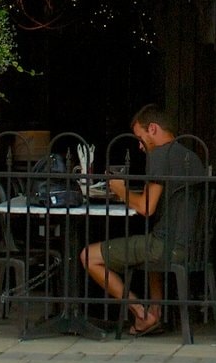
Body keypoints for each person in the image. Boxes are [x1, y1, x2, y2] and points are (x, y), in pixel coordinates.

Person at [78, 104, 207, 336]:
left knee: (88, 256)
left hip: (166, 246)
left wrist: (119, 189)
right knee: (149, 243)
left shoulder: (159, 155)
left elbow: (146, 207)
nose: (139, 146)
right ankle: (155, 312)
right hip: (191, 246)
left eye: (140, 137)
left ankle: (141, 313)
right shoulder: (191, 156)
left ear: (153, 129)